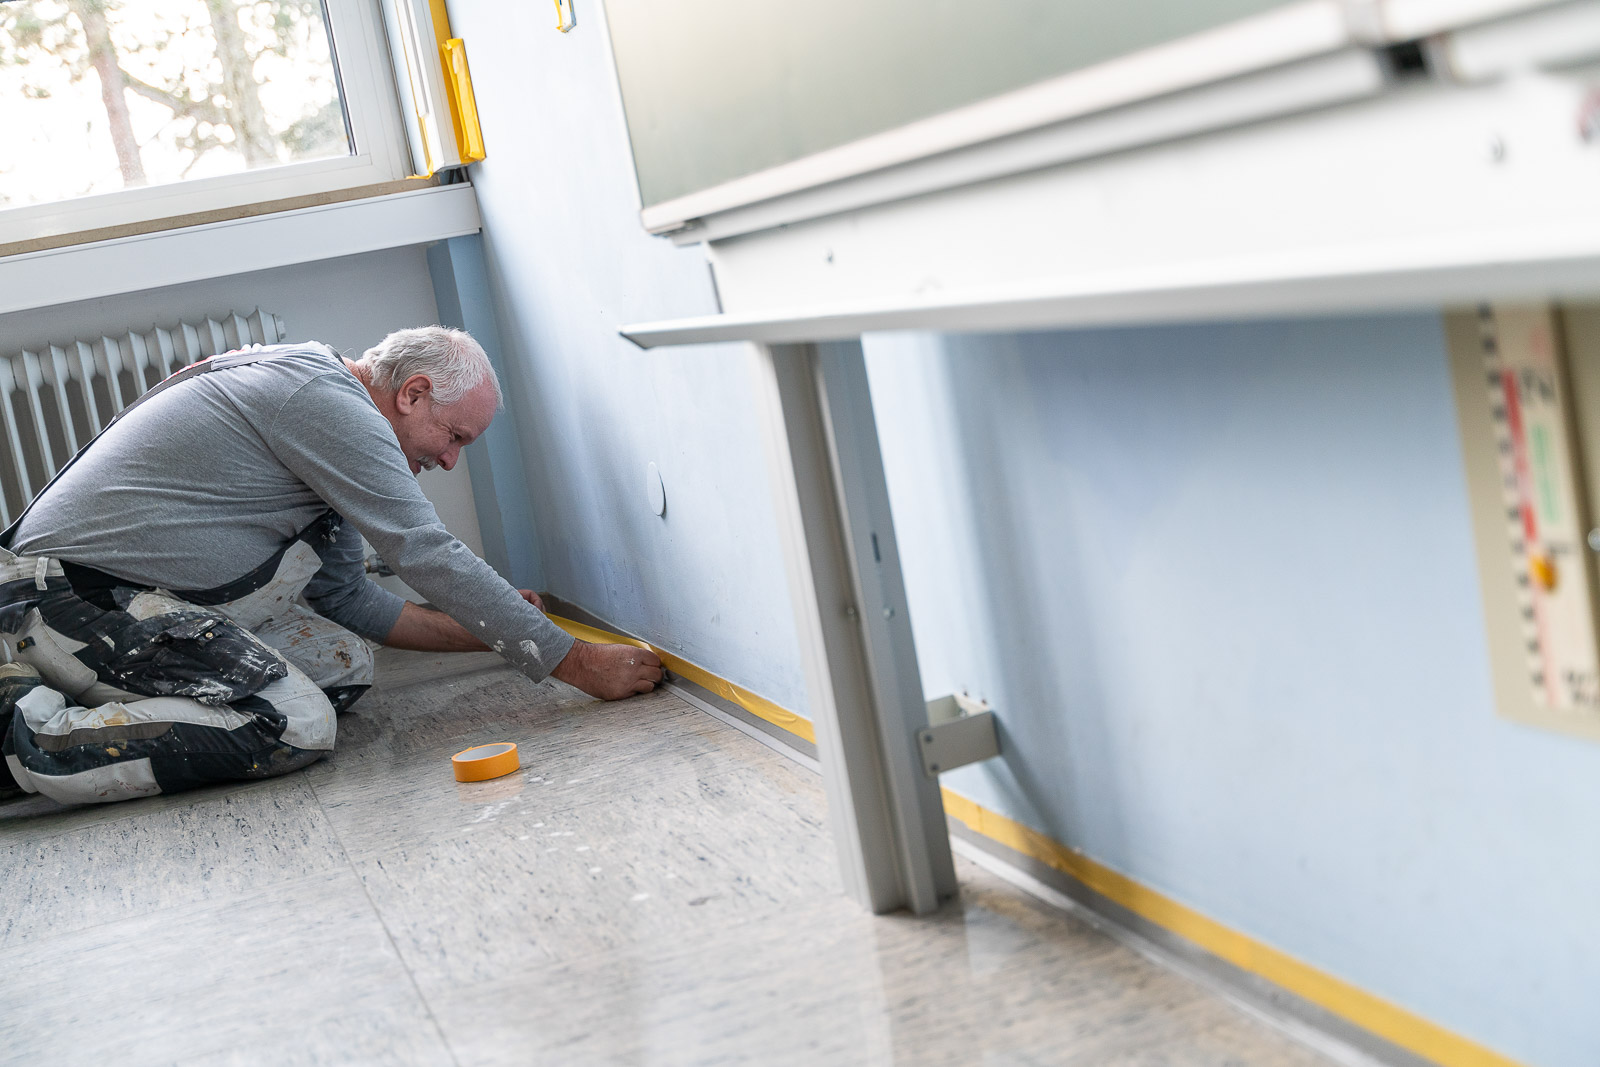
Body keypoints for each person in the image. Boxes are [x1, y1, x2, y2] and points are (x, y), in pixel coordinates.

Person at [0, 326, 661, 805]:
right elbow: (425, 550)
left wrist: (497, 626)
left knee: (343, 665)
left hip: (123, 597)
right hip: (66, 597)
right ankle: (28, 737)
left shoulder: (331, 428)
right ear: (413, 394)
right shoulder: (323, 403)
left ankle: (78, 686)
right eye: (455, 436)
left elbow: (349, 599)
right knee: (293, 724)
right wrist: (572, 661)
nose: (451, 460)